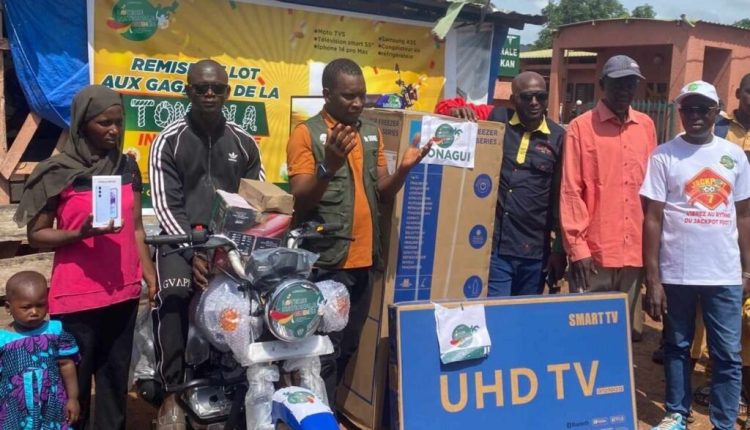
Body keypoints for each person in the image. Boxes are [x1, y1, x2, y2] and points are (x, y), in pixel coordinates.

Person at [287, 58, 431, 408]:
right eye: (348, 96)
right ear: (327, 95)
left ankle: (328, 409)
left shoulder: (370, 133)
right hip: (326, 262)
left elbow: (382, 193)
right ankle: (319, 416)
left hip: (364, 261)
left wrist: (404, 170)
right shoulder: (306, 133)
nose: (357, 103)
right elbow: (301, 199)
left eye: (361, 95)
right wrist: (329, 166)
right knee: (322, 350)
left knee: (349, 344)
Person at [14, 84, 156, 430]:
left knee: (114, 384)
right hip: (76, 298)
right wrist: (79, 234)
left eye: (118, 122)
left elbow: (137, 227)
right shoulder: (57, 172)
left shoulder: (126, 167)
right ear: (82, 123)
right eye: (104, 122)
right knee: (72, 388)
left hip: (122, 293)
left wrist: (150, 275)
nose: (114, 130)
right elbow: (36, 234)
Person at [149, 59, 265, 427]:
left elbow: (256, 198)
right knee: (175, 295)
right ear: (188, 91)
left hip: (228, 243)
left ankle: (244, 377)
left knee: (256, 299)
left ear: (228, 92)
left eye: (217, 88)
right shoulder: (168, 140)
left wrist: (227, 249)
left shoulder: (244, 143)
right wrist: (193, 252)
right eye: (201, 88)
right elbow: (167, 204)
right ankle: (171, 391)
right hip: (178, 240)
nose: (210, 94)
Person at [642, 80, 750, 430]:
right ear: (680, 112)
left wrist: (747, 270)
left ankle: (723, 421)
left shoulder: (734, 156)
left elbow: (744, 215)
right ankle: (676, 412)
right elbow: (653, 218)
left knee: (727, 353)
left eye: (703, 108)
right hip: (678, 272)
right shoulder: (663, 155)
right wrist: (653, 279)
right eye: (688, 109)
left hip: (724, 273)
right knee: (676, 345)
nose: (695, 115)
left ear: (716, 111)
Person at [436, 71, 567, 296]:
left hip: (535, 252)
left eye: (541, 96)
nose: (534, 102)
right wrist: (454, 112)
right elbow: (442, 107)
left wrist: (559, 250)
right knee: (496, 310)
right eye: (526, 97)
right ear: (513, 100)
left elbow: (561, 197)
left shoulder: (558, 137)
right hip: (496, 248)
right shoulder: (496, 117)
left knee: (524, 313)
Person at [560, 55, 657, 340]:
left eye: (631, 83)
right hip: (594, 254)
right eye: (618, 83)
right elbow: (571, 190)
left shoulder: (646, 126)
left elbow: (652, 189)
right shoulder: (581, 127)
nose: (625, 90)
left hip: (634, 252)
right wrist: (578, 249)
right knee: (587, 334)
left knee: (625, 336)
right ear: (602, 84)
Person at [0, 271, 80, 429]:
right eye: (26, 307)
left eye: (40, 305)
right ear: (8, 307)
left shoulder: (55, 332)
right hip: (14, 410)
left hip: (52, 406)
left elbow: (66, 364)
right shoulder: (3, 340)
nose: (34, 312)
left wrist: (73, 398)